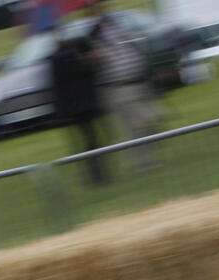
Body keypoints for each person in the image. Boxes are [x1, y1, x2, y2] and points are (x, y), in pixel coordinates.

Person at [89, 1, 161, 171]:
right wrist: (97, 56)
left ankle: (147, 158)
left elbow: (132, 46)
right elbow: (90, 61)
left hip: (138, 80)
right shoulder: (94, 34)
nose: (101, 9)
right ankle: (143, 162)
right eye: (96, 6)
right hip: (119, 87)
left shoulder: (117, 24)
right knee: (137, 124)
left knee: (152, 119)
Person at [49, 28, 109, 185]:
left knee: (87, 143)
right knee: (92, 142)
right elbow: (86, 70)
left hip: (76, 107)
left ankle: (95, 174)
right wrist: (92, 59)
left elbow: (56, 87)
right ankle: (98, 175)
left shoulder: (56, 57)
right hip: (83, 106)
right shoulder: (69, 55)